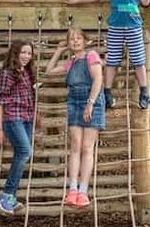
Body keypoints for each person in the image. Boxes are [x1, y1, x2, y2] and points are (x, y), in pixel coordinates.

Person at [65, 0, 150, 109]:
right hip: (116, 26)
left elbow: (145, 2)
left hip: (133, 26)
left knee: (138, 60)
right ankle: (107, 92)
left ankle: (144, 92)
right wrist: (77, 1)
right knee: (112, 60)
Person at [45, 28, 105, 209]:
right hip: (73, 101)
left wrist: (90, 104)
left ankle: (83, 191)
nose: (75, 41)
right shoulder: (71, 62)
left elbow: (97, 80)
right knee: (75, 146)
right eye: (71, 39)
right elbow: (49, 71)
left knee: (87, 147)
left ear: (86, 41)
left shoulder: (91, 56)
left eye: (79, 38)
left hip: (91, 100)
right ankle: (72, 189)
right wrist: (58, 51)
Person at [0, 40, 38, 214]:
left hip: (26, 118)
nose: (27, 56)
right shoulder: (8, 74)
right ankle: (6, 194)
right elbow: (0, 101)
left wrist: (36, 115)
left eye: (29, 53)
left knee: (25, 153)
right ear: (15, 53)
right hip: (13, 119)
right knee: (24, 152)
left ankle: (10, 197)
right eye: (23, 52)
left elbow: (29, 97)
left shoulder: (27, 72)